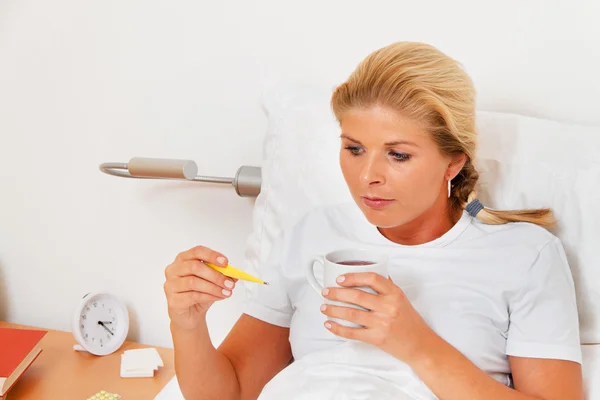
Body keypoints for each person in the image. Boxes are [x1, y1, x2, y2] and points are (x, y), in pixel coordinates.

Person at [163, 42, 583, 400]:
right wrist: (188, 324)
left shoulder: (524, 255)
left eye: (398, 155)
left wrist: (416, 344)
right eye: (354, 149)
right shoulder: (311, 233)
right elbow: (232, 391)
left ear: (453, 161)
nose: (368, 176)